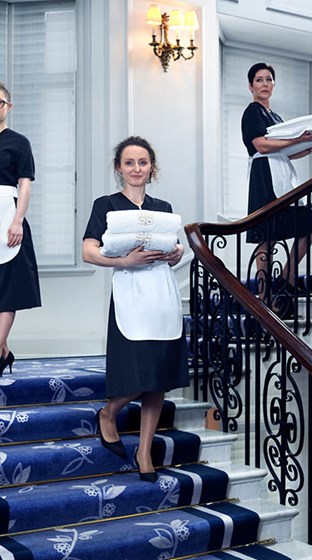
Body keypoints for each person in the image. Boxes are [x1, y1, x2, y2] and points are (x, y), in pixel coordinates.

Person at [82, 136, 188, 482]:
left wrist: (176, 254)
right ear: (119, 168)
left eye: (143, 162)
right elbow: (89, 252)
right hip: (130, 293)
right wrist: (124, 260)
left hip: (161, 293)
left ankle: (145, 451)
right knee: (138, 374)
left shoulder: (162, 207)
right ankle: (109, 413)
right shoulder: (106, 205)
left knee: (157, 378)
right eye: (129, 163)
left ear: (151, 167)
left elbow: (175, 249)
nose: (136, 168)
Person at [242, 62, 312, 316]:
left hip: (282, 174)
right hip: (264, 178)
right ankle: (262, 296)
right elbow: (261, 145)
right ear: (251, 86)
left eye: (269, 79)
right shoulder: (252, 113)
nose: (264, 84)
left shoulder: (276, 118)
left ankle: (287, 276)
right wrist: (298, 139)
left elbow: (288, 153)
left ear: (273, 84)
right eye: (259, 80)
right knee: (267, 237)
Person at [0, 83, 41, 374]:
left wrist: (17, 220)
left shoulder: (18, 142)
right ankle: (3, 353)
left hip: (7, 214)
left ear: (8, 107)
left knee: (8, 286)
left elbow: (24, 183)